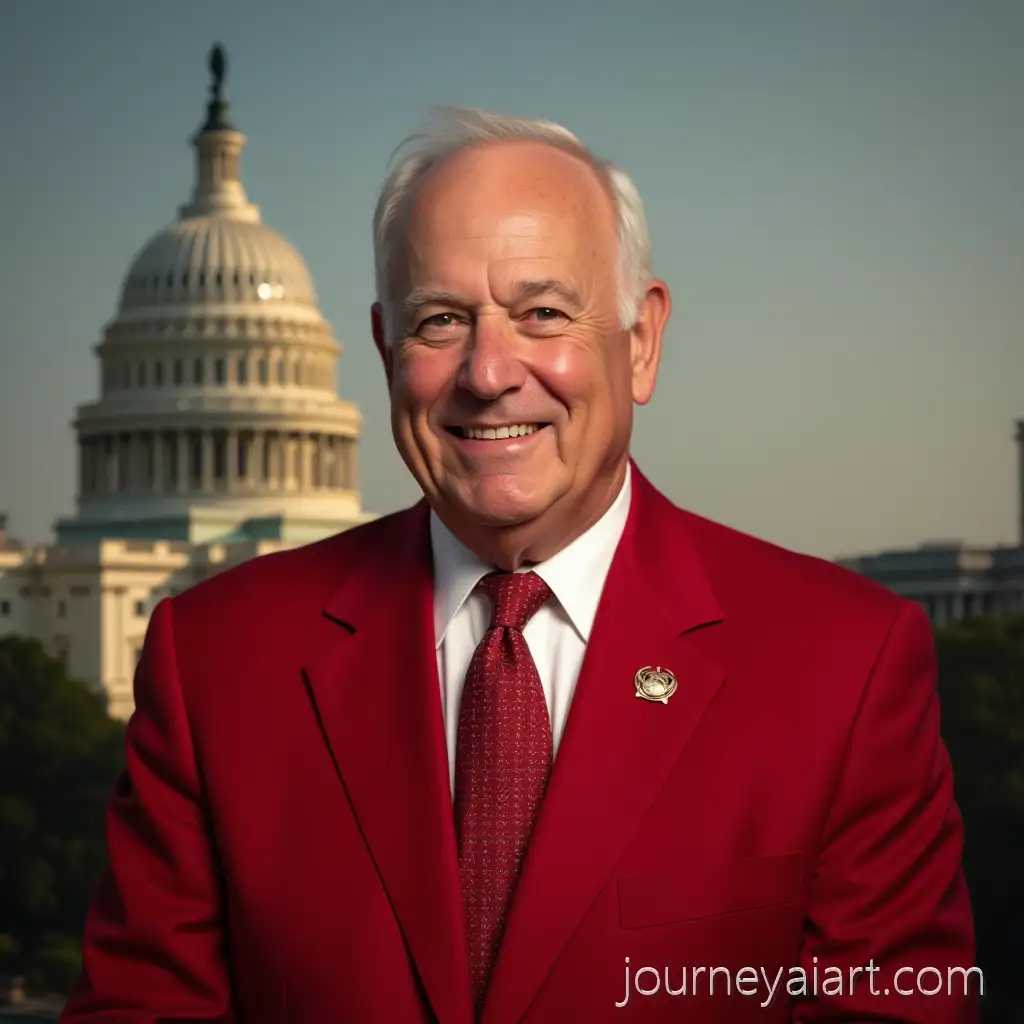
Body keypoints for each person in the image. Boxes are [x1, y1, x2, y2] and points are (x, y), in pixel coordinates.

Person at [62, 107, 978, 1023]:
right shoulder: (216, 661)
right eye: (440, 321)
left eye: (543, 312)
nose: (489, 371)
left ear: (643, 341)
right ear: (385, 352)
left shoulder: (842, 664)